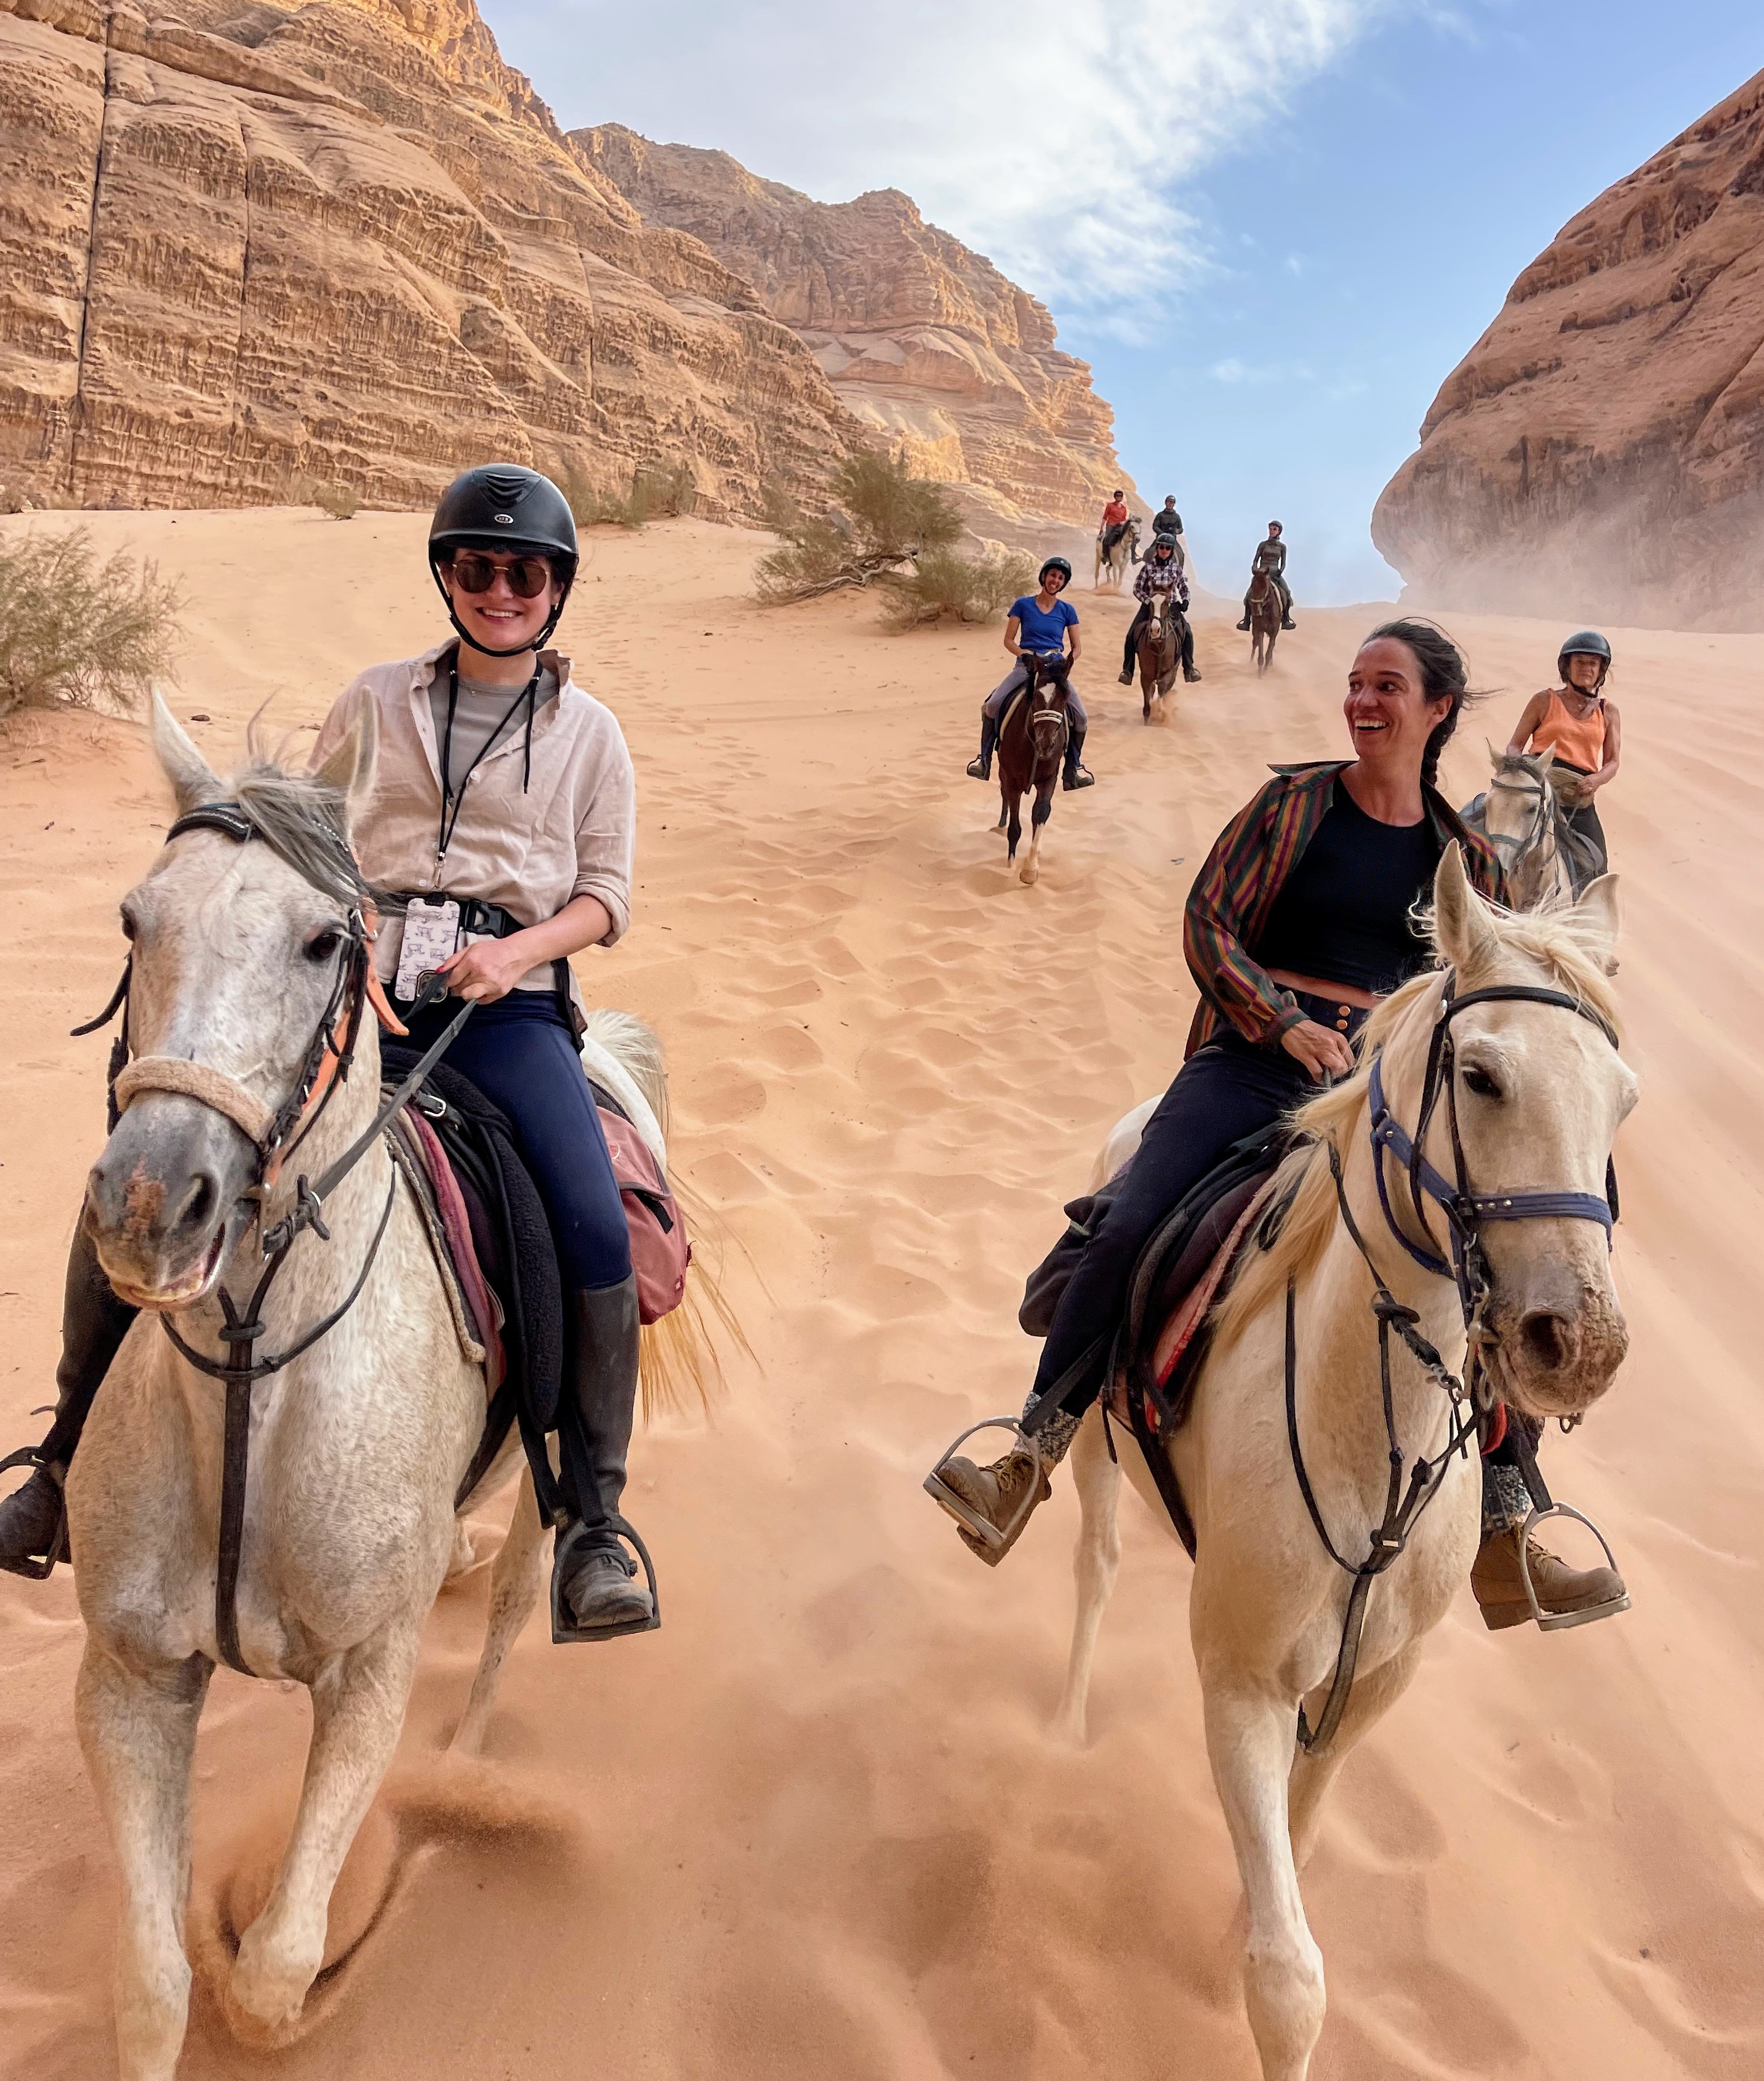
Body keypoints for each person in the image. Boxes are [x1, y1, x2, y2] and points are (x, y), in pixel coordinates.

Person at [0, 465, 654, 1645]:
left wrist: (516, 958)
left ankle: (595, 1520)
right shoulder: (374, 698)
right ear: (447, 579)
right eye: (476, 567)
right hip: (351, 988)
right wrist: (354, 954)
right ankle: (60, 1459)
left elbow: (605, 898)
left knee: (591, 1220)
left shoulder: (591, 735)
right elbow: (315, 843)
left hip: (502, 1006)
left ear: (557, 589)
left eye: (525, 572)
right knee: (150, 1162)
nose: (500, 589)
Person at [929, 618, 1628, 1633]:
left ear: (1437, 709)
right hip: (1258, 1066)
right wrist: (1285, 1023)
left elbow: (1495, 993)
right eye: (1355, 684)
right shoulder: (1292, 807)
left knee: (1488, 1254)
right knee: (1131, 1219)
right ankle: (1031, 1448)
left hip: (1392, 1095)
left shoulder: (1467, 856)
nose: (1363, 701)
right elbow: (1207, 921)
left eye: (1387, 686)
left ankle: (1509, 1521)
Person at [967, 556, 1093, 790]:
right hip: (1026, 666)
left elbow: (1077, 648)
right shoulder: (1022, 605)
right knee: (993, 706)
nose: (1055, 580)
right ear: (1044, 576)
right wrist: (1023, 654)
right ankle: (983, 760)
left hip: (1055, 670)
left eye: (1060, 578)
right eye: (1053, 575)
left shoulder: (1068, 611)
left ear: (1063, 583)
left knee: (1082, 717)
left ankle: (1074, 767)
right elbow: (1008, 640)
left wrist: (1067, 664)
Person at [1504, 631, 1619, 883]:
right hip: (1538, 791)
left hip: (1579, 799)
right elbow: (1515, 746)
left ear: (1601, 669)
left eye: (1593, 663)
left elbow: (1612, 762)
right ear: (1567, 666)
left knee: (1597, 868)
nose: (1586, 668)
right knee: (1498, 841)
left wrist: (1596, 780)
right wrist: (1523, 770)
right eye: (1580, 662)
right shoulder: (1544, 701)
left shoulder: (1608, 711)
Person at [1118, 534, 1201, 685]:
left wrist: (1186, 601)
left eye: (1168, 548)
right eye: (1162, 547)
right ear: (1157, 548)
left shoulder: (1176, 569)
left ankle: (1189, 669)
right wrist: (1149, 601)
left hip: (1171, 607)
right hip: (1150, 606)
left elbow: (1184, 588)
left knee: (1187, 633)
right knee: (1131, 635)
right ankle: (1127, 671)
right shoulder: (1148, 568)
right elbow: (1137, 588)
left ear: (1171, 551)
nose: (1164, 550)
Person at [1238, 521, 1295, 631]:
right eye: (1270, 529)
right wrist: (1254, 568)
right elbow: (1256, 560)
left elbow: (1283, 563)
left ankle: (1286, 619)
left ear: (1279, 532)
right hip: (1262, 573)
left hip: (1275, 573)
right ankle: (1246, 620)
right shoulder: (1263, 545)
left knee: (1287, 593)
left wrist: (1280, 571)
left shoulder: (1282, 547)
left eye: (1274, 529)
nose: (1272, 531)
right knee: (1250, 595)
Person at [1097, 489, 1131, 561]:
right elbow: (1105, 517)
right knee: (1107, 538)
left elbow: (1124, 519)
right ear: (1115, 497)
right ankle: (1105, 555)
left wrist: (1122, 523)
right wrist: (1101, 528)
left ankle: (1128, 555)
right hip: (1111, 524)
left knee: (1127, 538)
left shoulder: (1124, 509)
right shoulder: (1110, 506)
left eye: (1120, 496)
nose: (1119, 497)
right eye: (1117, 496)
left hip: (1119, 526)